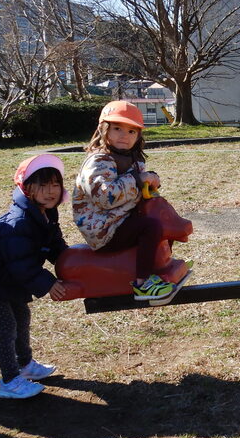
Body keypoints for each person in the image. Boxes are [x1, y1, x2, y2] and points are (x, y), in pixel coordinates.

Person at [0, 155, 68, 399]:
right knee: (5, 327)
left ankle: (25, 364)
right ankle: (9, 380)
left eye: (55, 184)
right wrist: (49, 283)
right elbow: (22, 264)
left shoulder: (46, 214)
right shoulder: (19, 222)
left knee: (22, 317)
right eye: (42, 185)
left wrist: (70, 262)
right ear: (26, 188)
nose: (50, 191)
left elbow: (54, 244)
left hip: (9, 278)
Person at [73, 100, 189, 301]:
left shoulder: (132, 159)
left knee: (157, 221)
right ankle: (143, 283)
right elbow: (104, 197)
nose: (124, 136)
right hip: (103, 228)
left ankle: (162, 263)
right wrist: (137, 179)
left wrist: (152, 180)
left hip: (120, 219)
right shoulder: (99, 161)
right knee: (149, 227)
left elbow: (138, 183)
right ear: (103, 130)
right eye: (117, 128)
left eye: (131, 132)